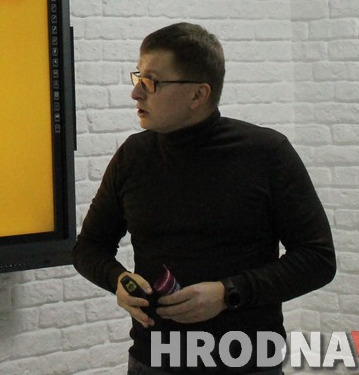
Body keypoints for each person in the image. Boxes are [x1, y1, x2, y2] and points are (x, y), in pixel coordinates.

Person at [72, 22, 335, 373]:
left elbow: (318, 259)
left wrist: (228, 293)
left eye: (151, 82)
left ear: (198, 95)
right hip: (154, 360)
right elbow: (89, 248)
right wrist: (117, 280)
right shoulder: (133, 156)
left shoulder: (266, 153)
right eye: (138, 77)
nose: (136, 93)